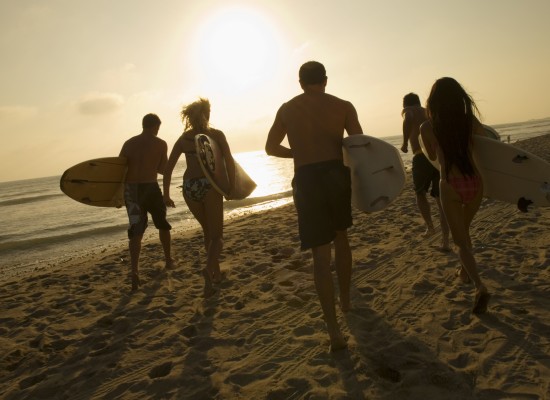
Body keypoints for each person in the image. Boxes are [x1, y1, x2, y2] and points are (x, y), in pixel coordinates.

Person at [265, 61, 363, 351]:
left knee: (321, 256)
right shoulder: (343, 105)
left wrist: (298, 151)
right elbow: (358, 145)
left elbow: (270, 147)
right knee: (341, 236)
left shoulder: (287, 108)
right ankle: (345, 299)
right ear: (326, 80)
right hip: (335, 173)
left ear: (300, 82)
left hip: (306, 178)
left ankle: (334, 332)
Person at [420, 77, 490, 314]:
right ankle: (464, 272)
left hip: (450, 183)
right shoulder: (470, 121)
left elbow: (430, 155)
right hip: (475, 182)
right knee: (465, 232)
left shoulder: (427, 127)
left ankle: (480, 287)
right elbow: (489, 144)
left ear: (434, 101)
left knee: (460, 242)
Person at [163, 98, 235, 298]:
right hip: (209, 185)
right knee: (217, 236)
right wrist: (230, 186)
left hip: (189, 187)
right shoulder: (216, 135)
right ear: (207, 114)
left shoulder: (183, 139)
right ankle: (209, 267)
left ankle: (216, 274)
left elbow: (168, 169)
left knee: (207, 232)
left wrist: (166, 194)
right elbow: (228, 161)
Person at [119, 113, 174, 291]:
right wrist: (166, 194)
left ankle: (134, 271)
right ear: (154, 126)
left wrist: (119, 196)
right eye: (158, 127)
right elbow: (163, 170)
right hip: (150, 188)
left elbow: (119, 170)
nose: (158, 131)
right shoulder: (160, 144)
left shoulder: (128, 143)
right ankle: (168, 260)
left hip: (132, 191)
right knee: (162, 224)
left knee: (136, 230)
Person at [401, 93, 450, 251]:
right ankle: (445, 241)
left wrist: (404, 143)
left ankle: (430, 227)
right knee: (439, 197)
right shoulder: (429, 110)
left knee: (420, 192)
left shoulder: (409, 110)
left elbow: (408, 119)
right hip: (438, 155)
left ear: (406, 104)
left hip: (421, 156)